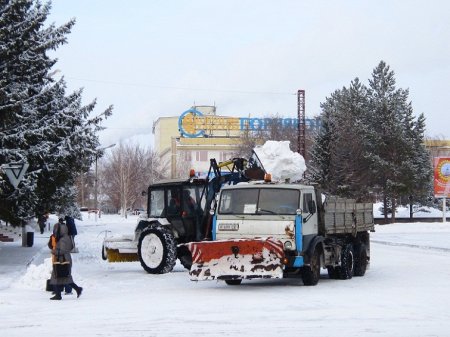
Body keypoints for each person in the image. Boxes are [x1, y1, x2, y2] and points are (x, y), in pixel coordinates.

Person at [49, 218, 83, 300]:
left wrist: (54, 251)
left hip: (62, 259)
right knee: (64, 277)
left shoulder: (63, 239)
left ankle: (58, 295)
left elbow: (62, 250)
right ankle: (77, 289)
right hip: (63, 259)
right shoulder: (65, 237)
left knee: (57, 276)